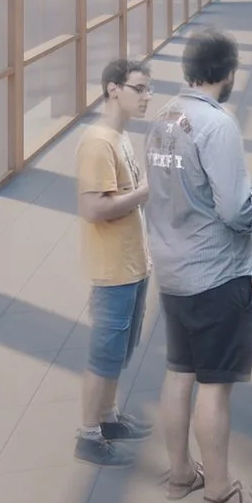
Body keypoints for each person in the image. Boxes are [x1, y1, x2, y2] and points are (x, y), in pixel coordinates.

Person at [144, 27, 252, 503]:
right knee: (214, 386)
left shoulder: (163, 119)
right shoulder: (217, 126)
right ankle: (220, 491)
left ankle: (181, 474)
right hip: (215, 273)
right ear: (229, 73)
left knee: (179, 373)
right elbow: (235, 211)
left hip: (173, 270)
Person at [74, 57, 156, 466]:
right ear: (113, 89)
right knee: (104, 352)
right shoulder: (98, 142)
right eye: (139, 88)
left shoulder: (120, 137)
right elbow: (93, 209)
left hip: (131, 265)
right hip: (112, 271)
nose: (146, 96)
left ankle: (107, 417)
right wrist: (145, 192)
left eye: (147, 89)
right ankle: (88, 434)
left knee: (120, 350)